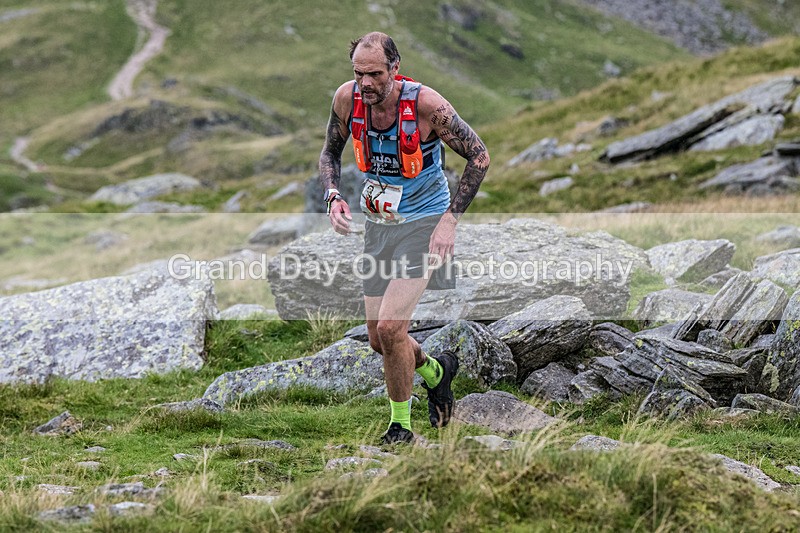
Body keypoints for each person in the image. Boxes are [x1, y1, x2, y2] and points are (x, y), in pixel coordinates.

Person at [318, 32, 490, 444]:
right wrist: (333, 196)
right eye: (359, 74)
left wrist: (450, 221)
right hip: (380, 226)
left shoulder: (427, 106)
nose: (366, 84)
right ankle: (436, 371)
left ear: (395, 68)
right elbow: (329, 153)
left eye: (375, 74)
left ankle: (401, 429)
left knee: (393, 328)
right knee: (379, 339)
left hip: (425, 225)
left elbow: (480, 156)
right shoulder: (347, 100)